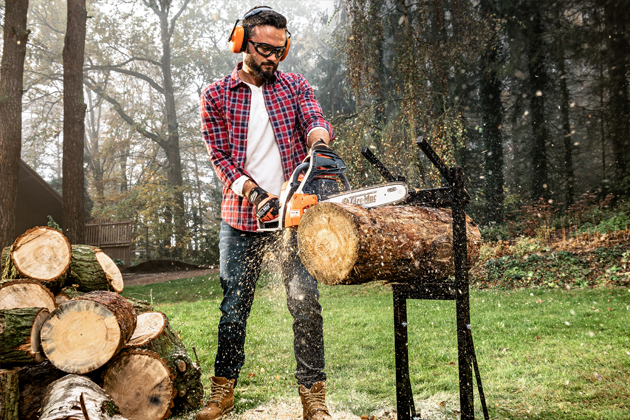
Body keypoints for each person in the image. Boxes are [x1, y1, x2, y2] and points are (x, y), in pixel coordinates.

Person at [197, 6, 338, 420]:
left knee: (305, 303)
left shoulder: (294, 86)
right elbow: (220, 158)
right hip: (241, 219)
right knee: (233, 309)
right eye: (262, 49)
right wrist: (255, 193)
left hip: (292, 219)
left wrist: (319, 144)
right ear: (241, 43)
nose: (272, 58)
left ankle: (314, 397)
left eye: (279, 50)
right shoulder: (216, 94)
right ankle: (221, 393)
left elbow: (314, 119)